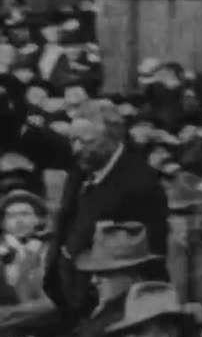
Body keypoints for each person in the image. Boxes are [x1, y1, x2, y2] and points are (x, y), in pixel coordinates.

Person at [0, 96, 168, 319]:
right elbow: (34, 139)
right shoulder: (86, 161)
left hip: (103, 305)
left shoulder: (140, 185)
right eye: (73, 140)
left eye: (86, 141)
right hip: (64, 293)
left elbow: (142, 260)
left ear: (114, 138)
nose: (77, 149)